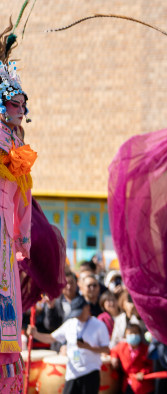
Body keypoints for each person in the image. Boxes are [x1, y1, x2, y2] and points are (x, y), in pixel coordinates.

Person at [0, 51, 37, 391]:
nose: (21, 110)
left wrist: (21, 239)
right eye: (14, 103)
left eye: (23, 104)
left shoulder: (17, 144)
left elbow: (23, 198)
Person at [28, 296, 110, 393]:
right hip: (72, 372)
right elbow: (51, 338)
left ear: (87, 308)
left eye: (80, 312)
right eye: (76, 314)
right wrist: (36, 334)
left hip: (90, 371)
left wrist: (88, 347)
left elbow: (106, 349)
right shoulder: (70, 324)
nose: (78, 316)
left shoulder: (98, 325)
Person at [111, 323, 153, 394]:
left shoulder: (145, 349)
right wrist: (114, 358)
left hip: (143, 385)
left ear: (140, 334)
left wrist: (143, 372)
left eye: (135, 332)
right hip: (127, 384)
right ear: (125, 335)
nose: (133, 335)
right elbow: (113, 351)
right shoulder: (122, 347)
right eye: (130, 333)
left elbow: (152, 365)